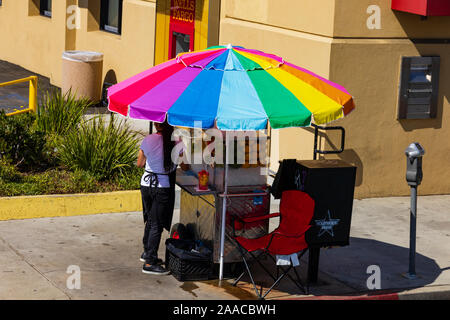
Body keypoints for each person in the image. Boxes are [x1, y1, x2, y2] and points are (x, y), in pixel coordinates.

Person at [137, 120, 186, 275]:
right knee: (156, 224)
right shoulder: (177, 141)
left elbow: (140, 163)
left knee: (150, 220)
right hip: (162, 186)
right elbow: (184, 166)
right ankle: (150, 262)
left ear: (157, 125)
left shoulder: (148, 139)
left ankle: (147, 253)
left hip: (146, 184)